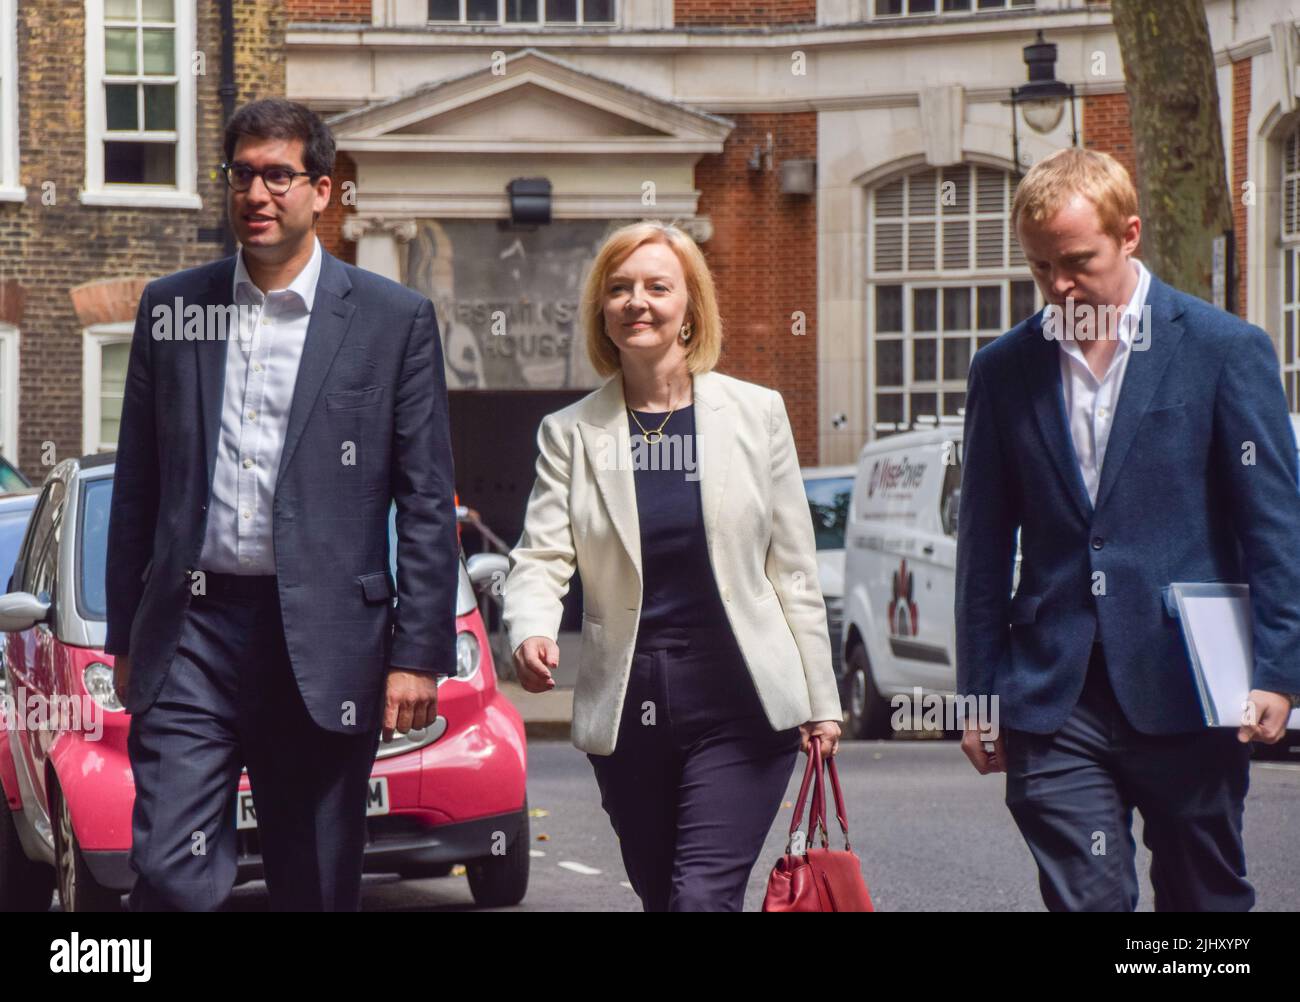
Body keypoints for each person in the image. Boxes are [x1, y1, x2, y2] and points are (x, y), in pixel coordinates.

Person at [104, 98, 459, 911]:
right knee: (167, 870)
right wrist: (127, 633)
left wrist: (418, 654)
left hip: (325, 640)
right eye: (241, 175)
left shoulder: (390, 320)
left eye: (277, 176)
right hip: (193, 633)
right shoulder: (173, 308)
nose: (256, 194)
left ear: (322, 191)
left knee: (315, 883)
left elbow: (428, 499)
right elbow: (139, 488)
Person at [955, 147, 1300, 911]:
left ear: (1131, 234)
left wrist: (1278, 670)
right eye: (1042, 268)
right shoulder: (1004, 370)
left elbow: (1276, 526)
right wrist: (977, 693)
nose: (1060, 286)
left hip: (1190, 682)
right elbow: (982, 549)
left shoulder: (1223, 350)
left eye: (1078, 262)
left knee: (1202, 898)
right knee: (1087, 900)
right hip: (1055, 693)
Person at [503, 220, 842, 912]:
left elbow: (794, 572)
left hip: (743, 701)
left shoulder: (757, 415)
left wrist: (820, 700)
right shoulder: (569, 433)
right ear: (602, 309)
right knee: (666, 897)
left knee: (698, 898)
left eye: (658, 287)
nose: (638, 301)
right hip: (630, 709)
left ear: (691, 307)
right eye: (620, 288)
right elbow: (540, 555)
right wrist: (531, 629)